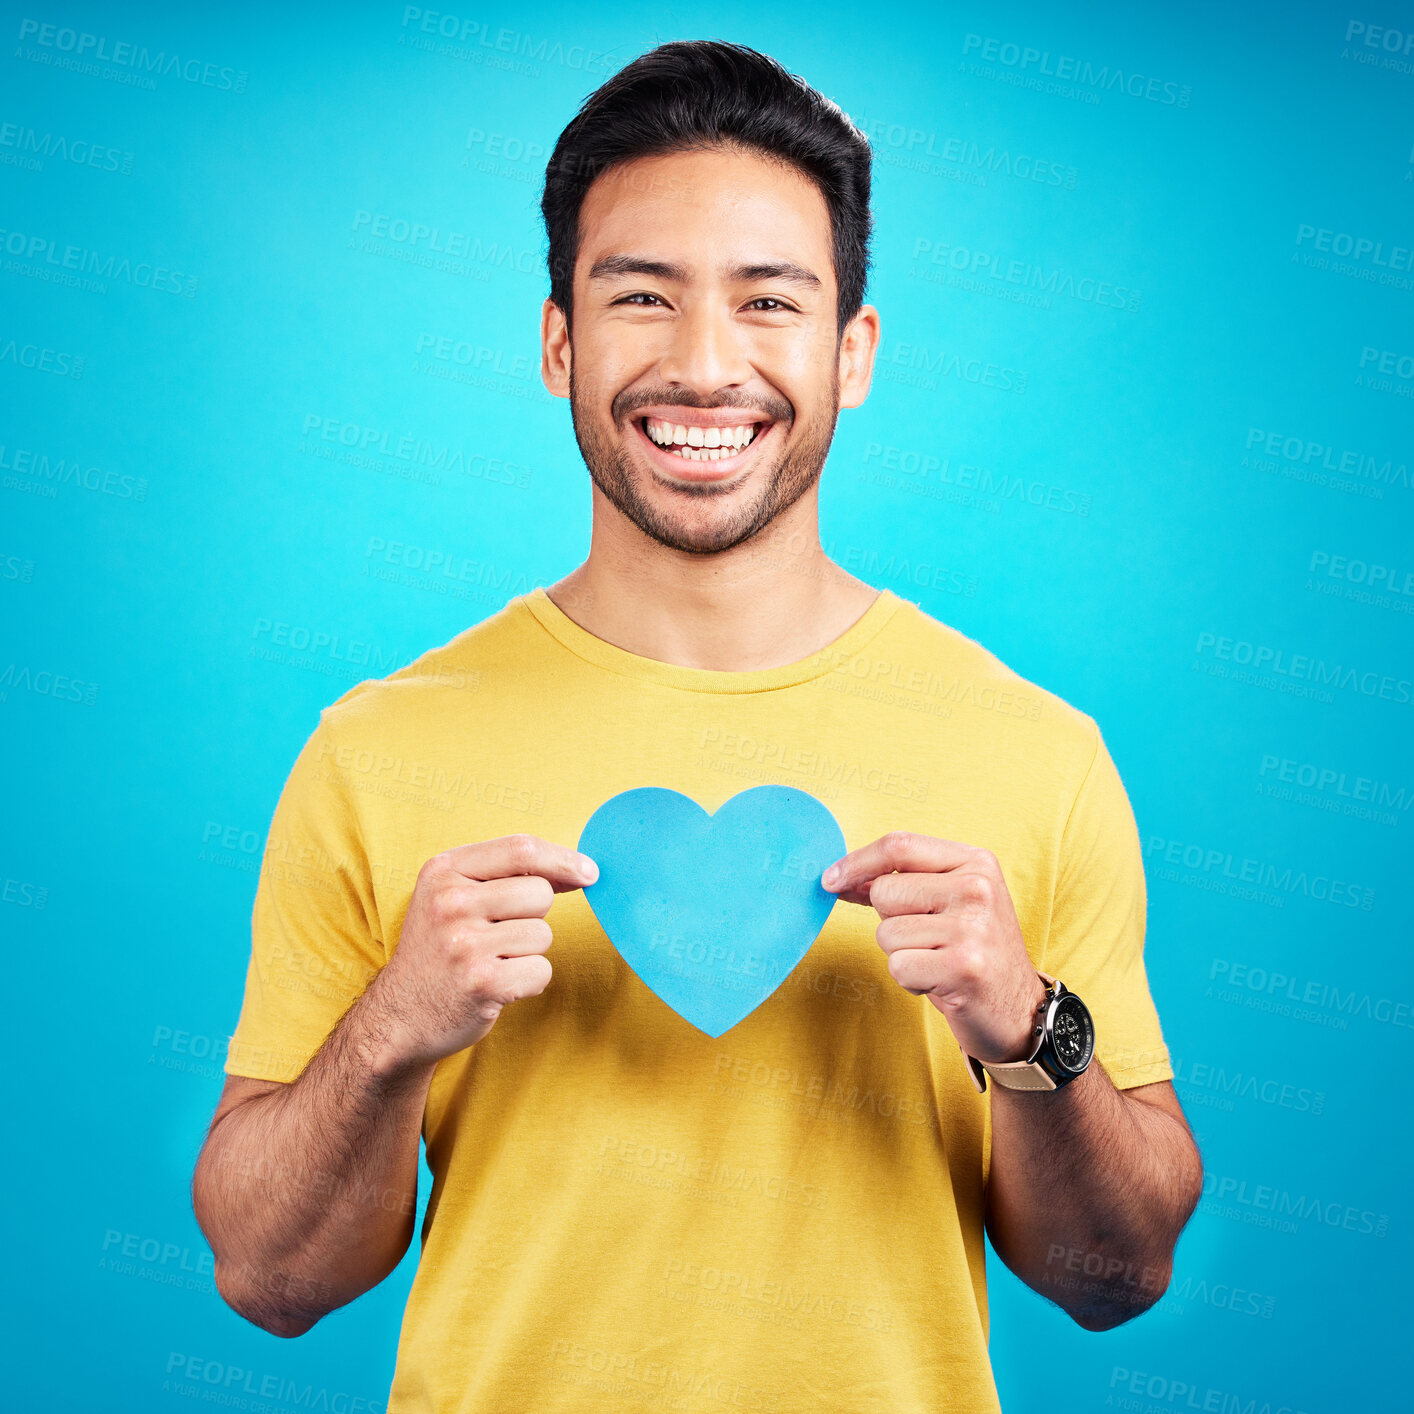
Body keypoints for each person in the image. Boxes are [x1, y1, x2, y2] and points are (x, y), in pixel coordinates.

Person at [193, 39, 1202, 1414]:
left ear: (853, 352)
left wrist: (1024, 1026)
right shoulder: (376, 748)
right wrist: (391, 1031)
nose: (703, 365)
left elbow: (1113, 1274)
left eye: (768, 301)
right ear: (558, 341)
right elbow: (269, 1278)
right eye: (641, 297)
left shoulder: (1035, 751)